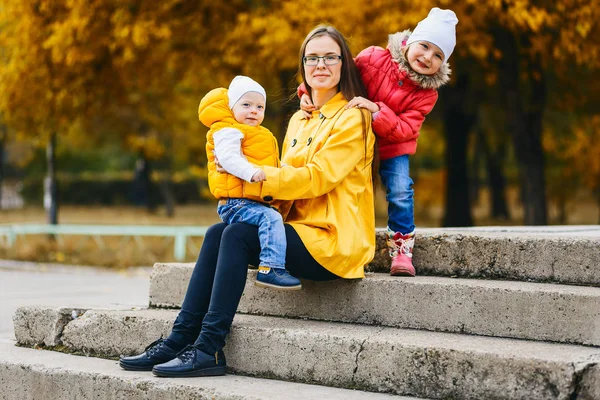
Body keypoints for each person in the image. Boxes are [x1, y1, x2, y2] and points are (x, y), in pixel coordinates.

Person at [119, 24, 376, 378]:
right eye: (311, 57)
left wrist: (255, 177)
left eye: (330, 57)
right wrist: (245, 197)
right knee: (220, 230)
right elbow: (284, 178)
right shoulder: (300, 120)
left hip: (332, 241)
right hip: (295, 229)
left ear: (344, 64)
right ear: (302, 66)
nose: (320, 64)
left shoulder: (354, 116)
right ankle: (179, 339)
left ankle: (208, 347)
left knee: (237, 236)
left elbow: (317, 178)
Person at [300, 7, 458, 277]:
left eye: (438, 56)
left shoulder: (426, 94)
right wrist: (307, 91)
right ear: (409, 42)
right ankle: (334, 235)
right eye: (425, 46)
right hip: (353, 137)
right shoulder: (373, 57)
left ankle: (401, 248)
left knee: (400, 189)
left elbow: (406, 129)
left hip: (392, 145)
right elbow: (340, 74)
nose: (428, 57)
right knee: (341, 185)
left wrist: (376, 111)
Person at [199, 75, 302, 290]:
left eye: (259, 106)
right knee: (271, 218)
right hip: (235, 202)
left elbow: (269, 162)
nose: (254, 110)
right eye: (246, 105)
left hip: (249, 200)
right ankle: (270, 268)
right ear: (232, 108)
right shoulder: (227, 130)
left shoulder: (259, 134)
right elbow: (228, 158)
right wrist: (251, 172)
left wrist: (282, 171)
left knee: (270, 218)